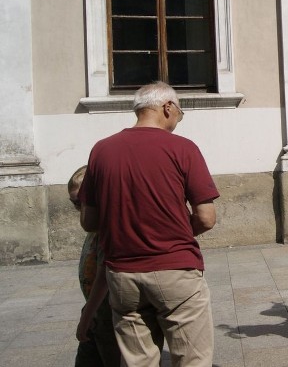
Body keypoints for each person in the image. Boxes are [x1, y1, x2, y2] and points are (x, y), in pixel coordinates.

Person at [78, 81, 219, 367]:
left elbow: (89, 221)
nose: (178, 119)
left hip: (122, 275)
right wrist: (173, 232)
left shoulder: (101, 150)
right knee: (192, 358)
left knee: (137, 361)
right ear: (167, 107)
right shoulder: (182, 148)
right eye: (179, 112)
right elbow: (206, 217)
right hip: (174, 268)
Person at [69, 166, 121, 367]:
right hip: (95, 311)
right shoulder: (93, 230)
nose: (81, 210)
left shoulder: (107, 232)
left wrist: (87, 314)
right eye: (75, 204)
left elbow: (104, 275)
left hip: (108, 314)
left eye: (84, 203)